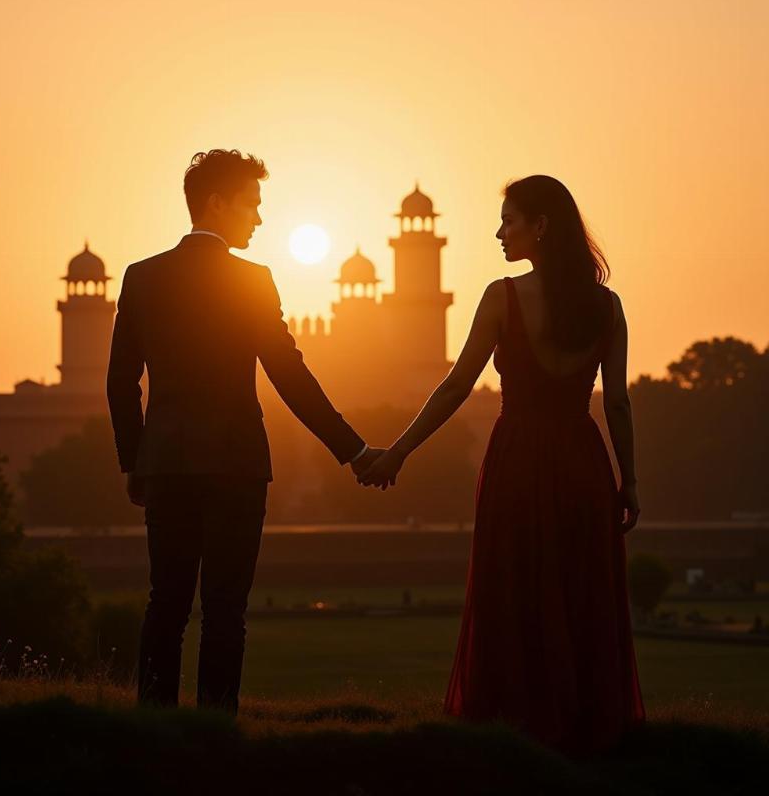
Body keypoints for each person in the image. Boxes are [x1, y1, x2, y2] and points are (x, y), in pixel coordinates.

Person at [359, 174, 646, 757]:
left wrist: (398, 451)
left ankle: (516, 731)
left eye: (509, 220)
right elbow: (615, 400)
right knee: (578, 595)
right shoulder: (605, 306)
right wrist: (629, 480)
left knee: (515, 593)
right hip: (584, 464)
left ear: (541, 226)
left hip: (518, 459)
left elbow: (454, 387)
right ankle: (583, 735)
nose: (498, 232)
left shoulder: (503, 297)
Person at [106, 149, 383, 713]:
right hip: (236, 464)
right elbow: (289, 375)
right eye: (251, 204)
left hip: (168, 465)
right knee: (226, 609)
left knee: (167, 603)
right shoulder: (251, 281)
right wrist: (352, 450)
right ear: (216, 202)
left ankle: (153, 726)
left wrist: (135, 461)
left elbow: (120, 383)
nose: (258, 218)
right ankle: (214, 730)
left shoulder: (143, 277)